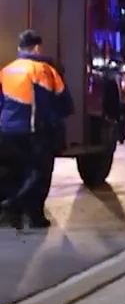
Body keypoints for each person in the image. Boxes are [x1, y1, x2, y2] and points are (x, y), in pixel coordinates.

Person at [0, 30, 73, 230]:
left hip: (6, 132)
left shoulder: (7, 70)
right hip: (33, 131)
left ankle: (11, 212)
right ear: (38, 47)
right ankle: (31, 215)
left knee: (13, 173)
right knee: (40, 174)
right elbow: (63, 104)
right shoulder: (44, 70)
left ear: (19, 48)